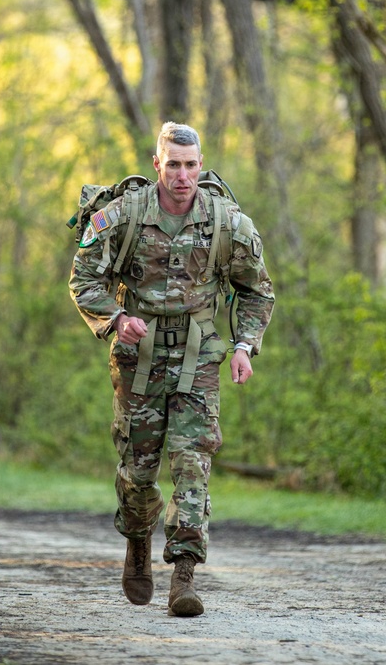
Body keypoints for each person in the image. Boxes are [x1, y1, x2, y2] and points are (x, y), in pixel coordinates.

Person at [68, 122, 275, 617]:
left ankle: (184, 575)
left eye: (191, 165)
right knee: (138, 471)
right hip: (137, 357)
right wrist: (117, 318)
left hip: (198, 354)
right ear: (157, 164)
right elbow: (83, 279)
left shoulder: (228, 223)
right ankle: (138, 539)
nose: (182, 176)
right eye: (174, 165)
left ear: (200, 166)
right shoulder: (124, 215)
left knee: (192, 461)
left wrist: (244, 345)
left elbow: (257, 290)